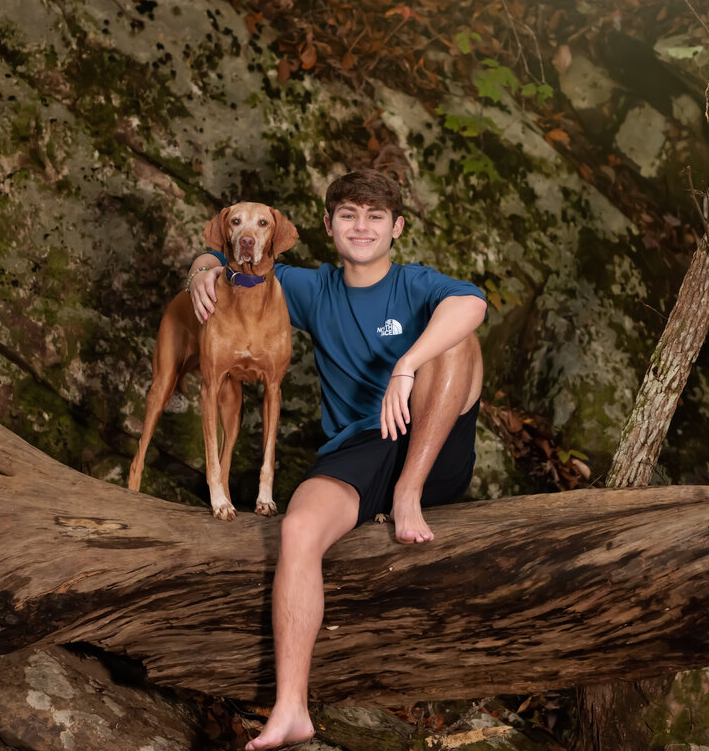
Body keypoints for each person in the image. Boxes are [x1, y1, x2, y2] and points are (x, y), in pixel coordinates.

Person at [186, 170, 486, 750]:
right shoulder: (309, 287)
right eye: (348, 214)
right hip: (360, 446)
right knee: (297, 527)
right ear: (328, 226)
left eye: (375, 216)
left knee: (459, 340)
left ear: (397, 228)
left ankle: (408, 495)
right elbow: (235, 249)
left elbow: (472, 305)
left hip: (431, 439)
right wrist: (202, 267)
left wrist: (407, 366)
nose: (361, 226)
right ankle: (291, 708)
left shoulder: (414, 283)